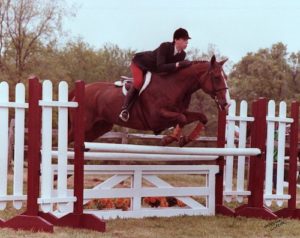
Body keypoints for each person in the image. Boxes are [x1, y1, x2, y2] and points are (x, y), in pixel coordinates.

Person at [119, 27, 193, 122]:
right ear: (176, 40)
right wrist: (178, 64)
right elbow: (161, 66)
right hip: (140, 64)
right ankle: (125, 110)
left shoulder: (182, 54)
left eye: (187, 40)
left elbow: (172, 71)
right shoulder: (165, 46)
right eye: (184, 40)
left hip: (154, 70)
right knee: (138, 82)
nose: (186, 42)